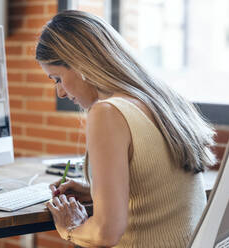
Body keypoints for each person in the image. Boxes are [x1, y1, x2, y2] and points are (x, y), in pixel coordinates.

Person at [36, 10, 217, 247]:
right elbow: (160, 188)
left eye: (57, 78)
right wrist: (96, 192)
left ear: (80, 64)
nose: (60, 92)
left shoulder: (108, 112)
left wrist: (70, 228)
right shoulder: (165, 100)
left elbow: (106, 233)